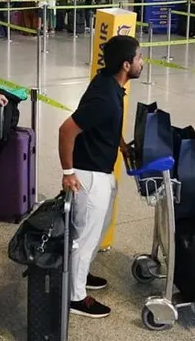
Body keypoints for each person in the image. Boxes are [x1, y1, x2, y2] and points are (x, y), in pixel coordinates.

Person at [59, 35, 142, 319]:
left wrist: (120, 145)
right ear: (126, 64)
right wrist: (68, 172)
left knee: (97, 228)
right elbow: (66, 130)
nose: (142, 63)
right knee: (86, 235)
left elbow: (107, 124)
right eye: (139, 58)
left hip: (103, 169)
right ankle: (75, 296)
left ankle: (79, 275)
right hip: (89, 175)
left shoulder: (111, 84)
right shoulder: (106, 98)